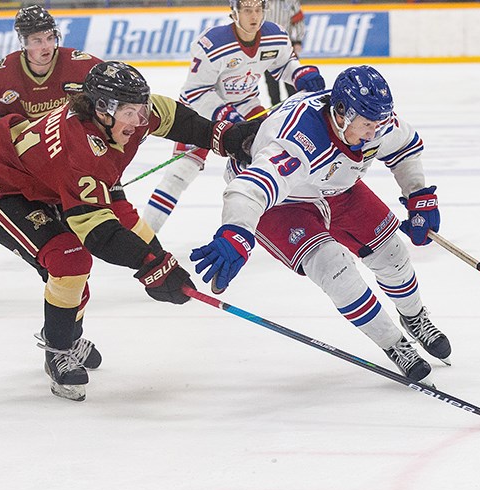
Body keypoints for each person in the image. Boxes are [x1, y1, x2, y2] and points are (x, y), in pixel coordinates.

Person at [0, 60, 259, 401]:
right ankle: (58, 348)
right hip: (7, 189)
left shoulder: (123, 115)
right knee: (70, 261)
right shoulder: (78, 149)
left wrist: (221, 136)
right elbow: (98, 234)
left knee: (142, 239)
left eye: (141, 110)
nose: (140, 122)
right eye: (130, 113)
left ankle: (66, 331)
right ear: (102, 110)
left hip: (57, 182)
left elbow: (172, 117)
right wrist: (152, 266)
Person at [189, 65, 450, 385]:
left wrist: (419, 195)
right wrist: (236, 232)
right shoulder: (297, 141)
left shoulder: (374, 120)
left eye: (378, 124)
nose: (373, 133)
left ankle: (415, 317)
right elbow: (249, 189)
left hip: (336, 185)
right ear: (341, 113)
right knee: (335, 268)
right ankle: (394, 344)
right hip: (282, 204)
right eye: (367, 125)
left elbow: (405, 146)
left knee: (392, 254)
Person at [142, 0, 325, 233]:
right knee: (180, 173)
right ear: (234, 13)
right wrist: (227, 117)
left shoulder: (275, 35)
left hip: (247, 106)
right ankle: (145, 234)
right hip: (201, 112)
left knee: (274, 159)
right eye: (247, 10)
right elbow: (194, 92)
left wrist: (300, 74)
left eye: (258, 10)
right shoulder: (213, 43)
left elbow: (285, 63)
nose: (254, 16)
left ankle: (290, 226)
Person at [0, 5, 102, 295]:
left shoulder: (81, 65)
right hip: (19, 158)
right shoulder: (3, 74)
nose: (45, 46)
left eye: (49, 37)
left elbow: (109, 99)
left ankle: (61, 279)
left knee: (65, 222)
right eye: (37, 40)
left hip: (63, 160)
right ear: (22, 42)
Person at [263, 0, 306, 105]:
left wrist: (298, 41)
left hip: (287, 43)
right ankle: (275, 108)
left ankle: (293, 106)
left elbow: (298, 20)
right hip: (266, 45)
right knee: (271, 82)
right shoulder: (260, 2)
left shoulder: (290, 1)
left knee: (292, 78)